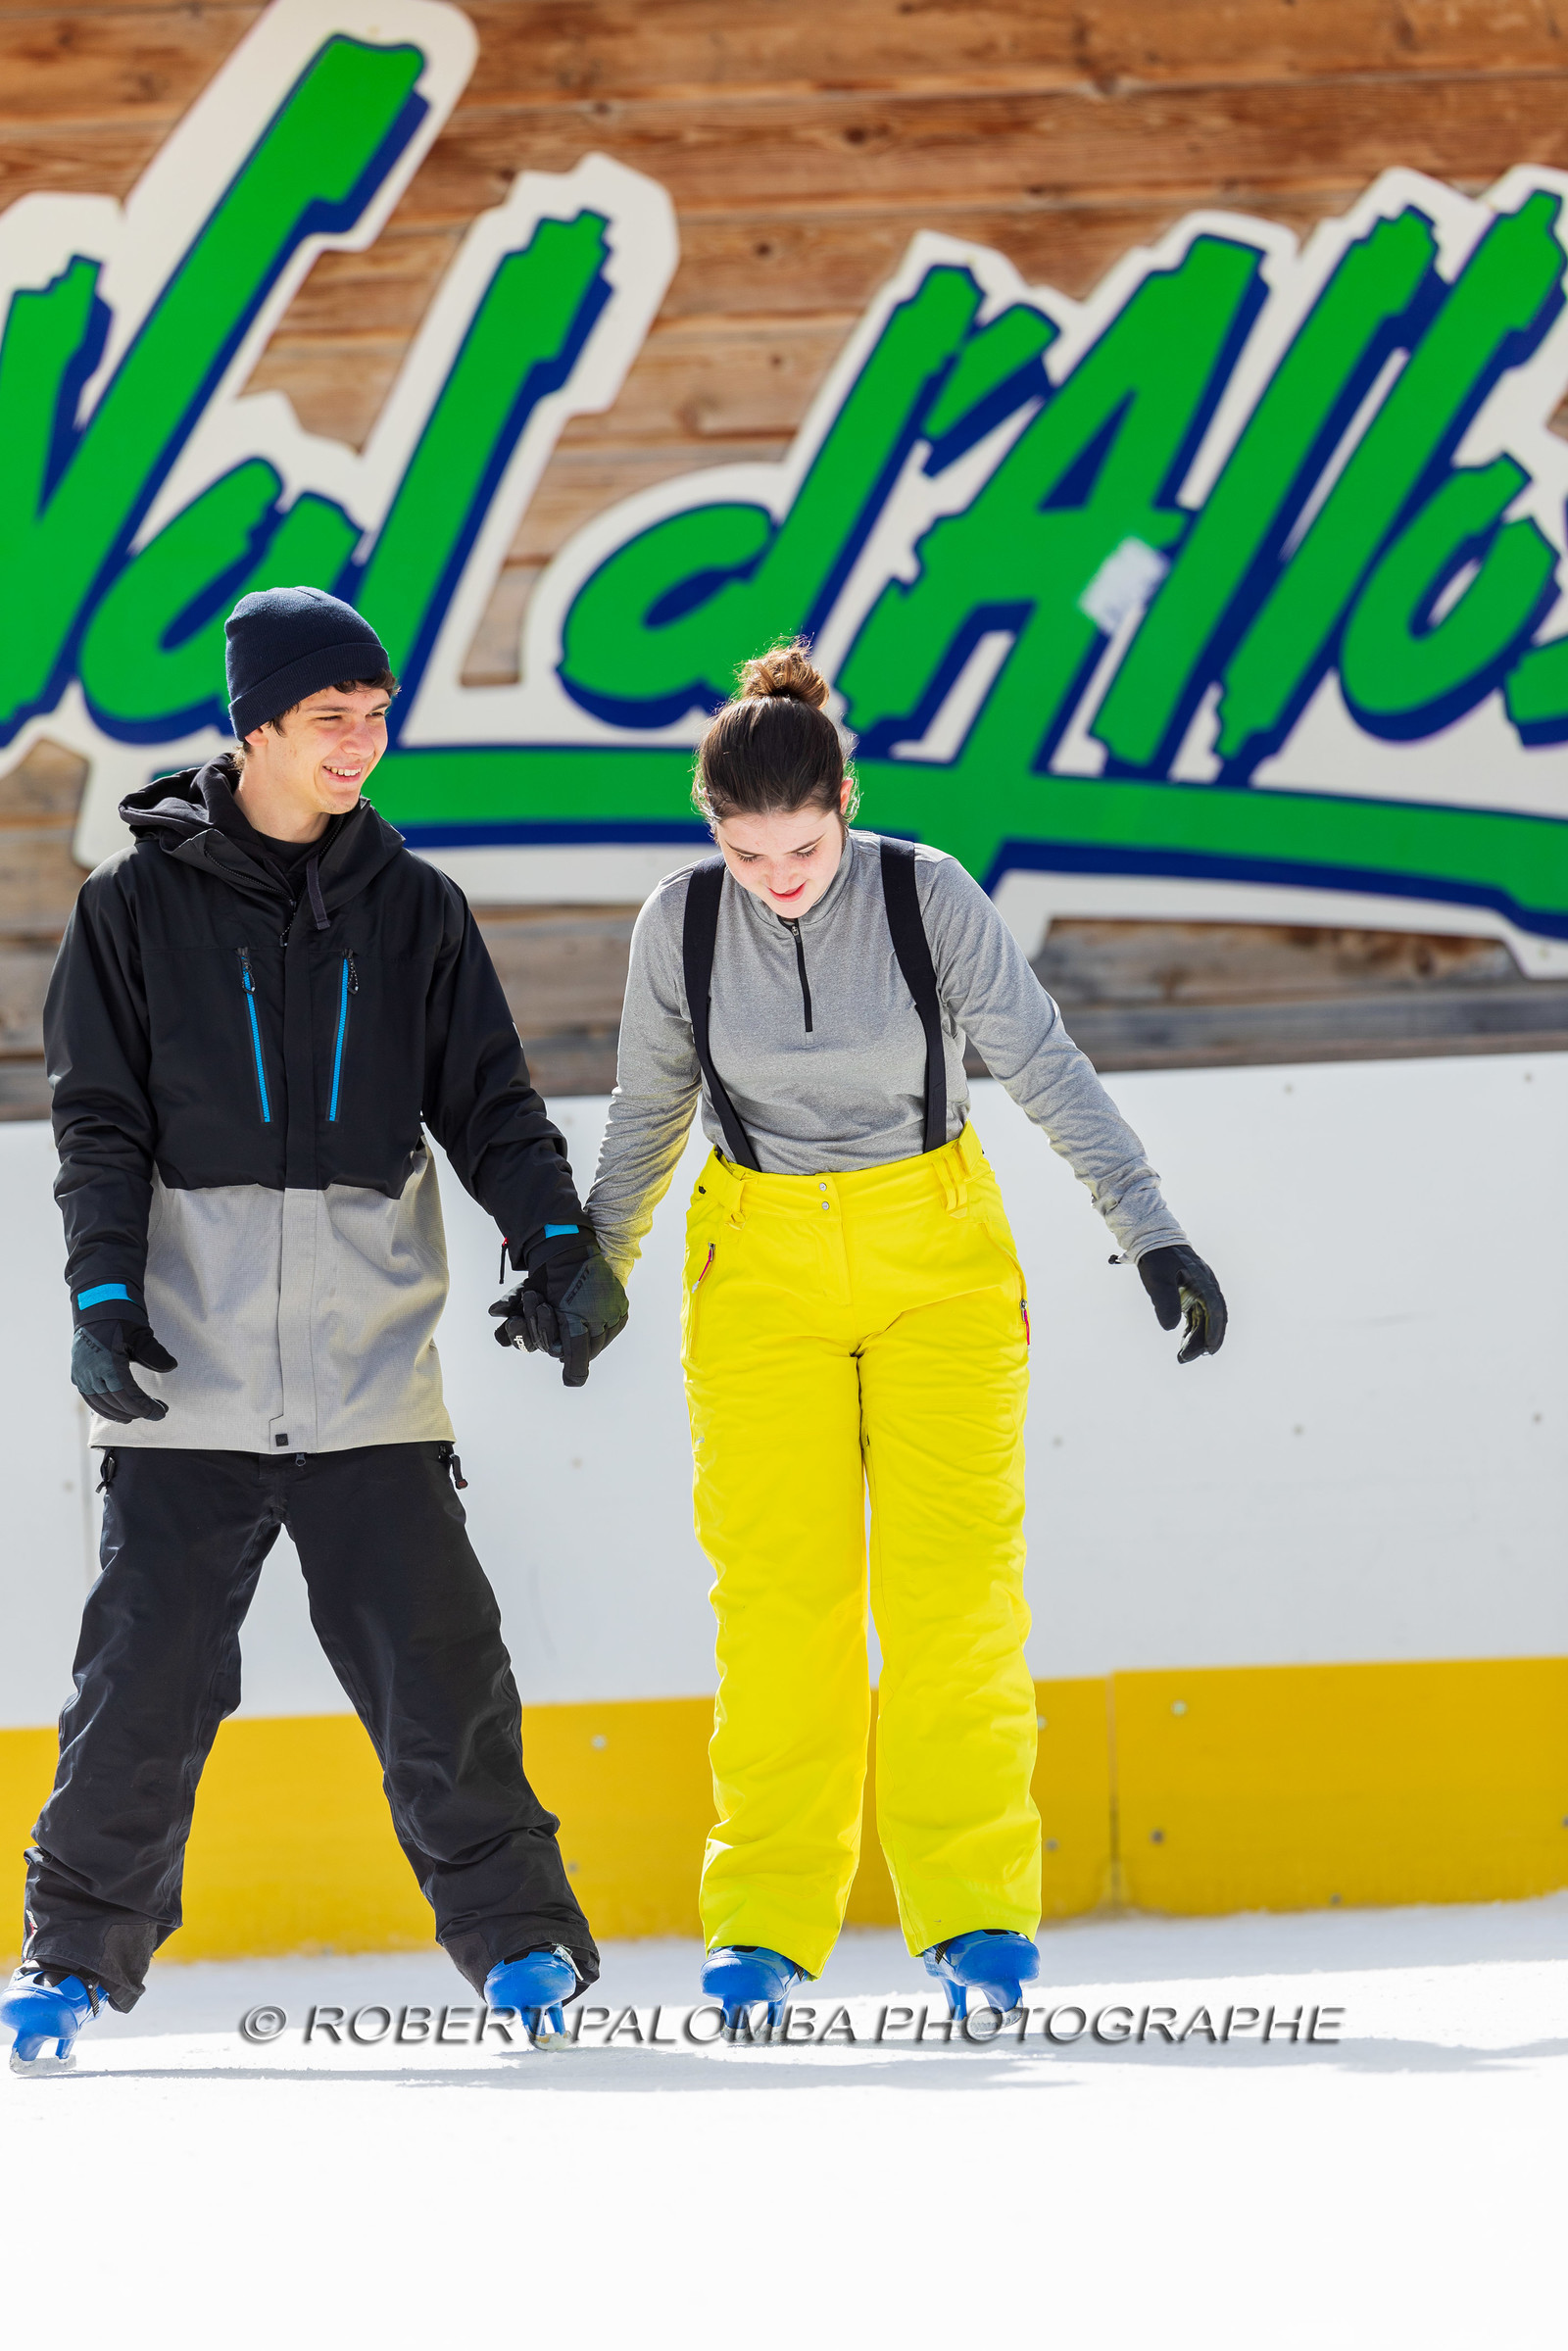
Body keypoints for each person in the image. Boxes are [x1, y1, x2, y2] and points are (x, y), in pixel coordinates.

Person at [2, 585, 628, 2074]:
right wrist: (101, 1299)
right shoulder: (131, 908)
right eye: (331, 720)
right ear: (257, 729)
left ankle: (524, 1947)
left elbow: (488, 1104)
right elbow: (95, 1122)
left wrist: (555, 1247)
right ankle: (70, 1964)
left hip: (366, 1375)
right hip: (187, 1375)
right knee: (144, 1682)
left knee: (443, 1668)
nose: (362, 745)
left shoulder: (414, 909)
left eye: (376, 715)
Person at [584, 641, 1226, 2034]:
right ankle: (760, 1924)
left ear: (844, 800)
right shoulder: (680, 926)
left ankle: (978, 1914)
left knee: (953, 1606)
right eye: (747, 854)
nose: (778, 879)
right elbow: (645, 1114)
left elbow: (1044, 1065)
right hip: (755, 1273)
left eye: (801, 845)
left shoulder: (927, 896)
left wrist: (1149, 1226)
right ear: (714, 832)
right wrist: (599, 1265)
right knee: (781, 1613)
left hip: (938, 1260)